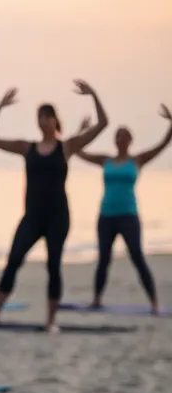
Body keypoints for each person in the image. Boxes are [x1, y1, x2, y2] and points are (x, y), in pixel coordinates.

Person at [0, 83, 108, 331]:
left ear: (55, 120)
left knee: (53, 265)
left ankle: (50, 321)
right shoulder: (27, 148)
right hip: (32, 216)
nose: (44, 121)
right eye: (40, 117)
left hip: (58, 216)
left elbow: (102, 124)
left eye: (48, 116)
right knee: (14, 260)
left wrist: (93, 94)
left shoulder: (66, 147)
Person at [73, 104, 169, 313]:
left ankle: (154, 302)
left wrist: (170, 125)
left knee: (136, 256)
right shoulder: (105, 160)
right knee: (104, 259)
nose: (120, 140)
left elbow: (162, 145)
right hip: (106, 215)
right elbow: (78, 151)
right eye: (117, 136)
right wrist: (81, 131)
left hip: (128, 215)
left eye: (124, 137)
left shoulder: (137, 160)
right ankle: (96, 299)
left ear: (130, 141)